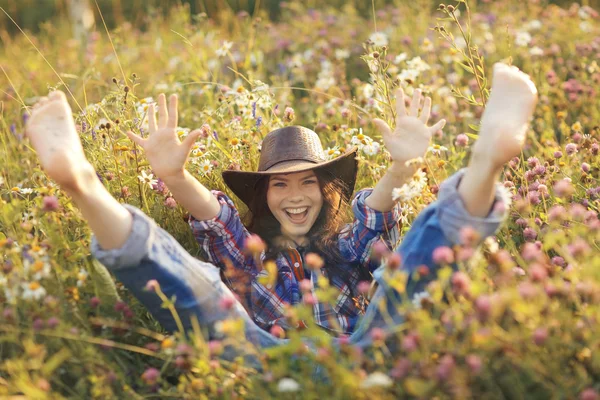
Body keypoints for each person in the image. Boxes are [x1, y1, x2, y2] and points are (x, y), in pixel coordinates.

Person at [24, 63, 537, 357]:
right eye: (279, 185)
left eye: (308, 182)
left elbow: (374, 219)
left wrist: (402, 170)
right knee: (201, 289)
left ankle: (486, 164)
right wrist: (176, 176)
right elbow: (214, 219)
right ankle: (83, 185)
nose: (294, 195)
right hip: (264, 357)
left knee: (408, 280)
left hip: (363, 351)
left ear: (327, 189)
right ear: (263, 197)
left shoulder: (344, 245)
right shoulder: (249, 254)